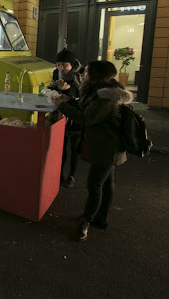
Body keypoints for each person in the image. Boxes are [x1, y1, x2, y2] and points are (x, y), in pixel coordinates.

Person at [53, 60, 133, 242]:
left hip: (108, 147)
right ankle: (101, 218)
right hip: (106, 145)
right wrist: (68, 100)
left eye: (88, 71)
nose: (84, 74)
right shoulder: (97, 91)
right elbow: (85, 105)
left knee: (94, 185)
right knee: (106, 184)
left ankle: (86, 222)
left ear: (96, 75)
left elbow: (86, 118)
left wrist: (61, 105)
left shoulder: (107, 97)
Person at [49, 48, 84, 188]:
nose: (61, 68)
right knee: (61, 147)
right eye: (58, 64)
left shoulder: (81, 74)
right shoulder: (56, 73)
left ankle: (71, 175)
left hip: (75, 114)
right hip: (60, 113)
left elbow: (83, 95)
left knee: (75, 148)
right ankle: (60, 175)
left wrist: (69, 87)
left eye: (64, 64)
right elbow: (54, 91)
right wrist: (53, 86)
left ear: (72, 63)